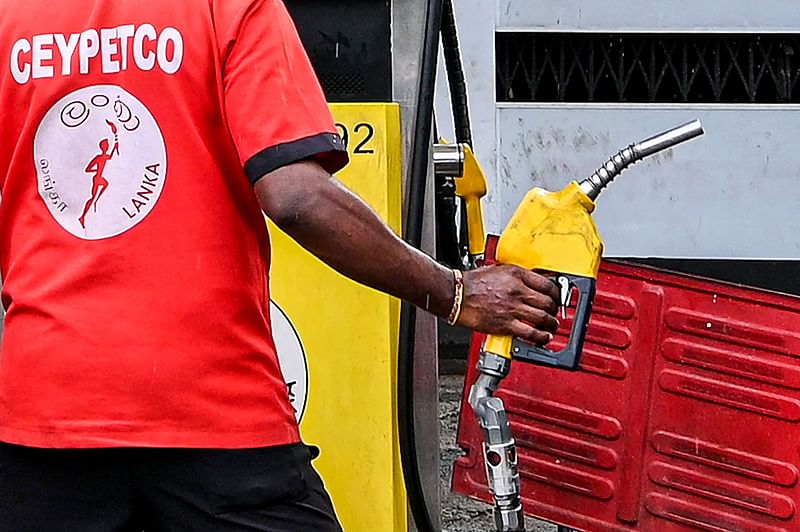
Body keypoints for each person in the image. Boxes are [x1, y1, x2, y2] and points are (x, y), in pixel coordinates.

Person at [0, 1, 559, 530]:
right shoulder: (227, 6)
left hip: (41, 410)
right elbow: (295, 195)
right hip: (214, 409)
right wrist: (455, 292)